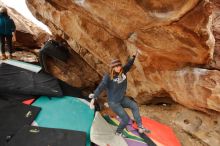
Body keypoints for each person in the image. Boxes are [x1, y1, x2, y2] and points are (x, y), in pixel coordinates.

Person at [89, 50, 150, 136]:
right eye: (116, 66)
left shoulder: (123, 71)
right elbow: (101, 87)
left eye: (119, 65)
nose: (118, 68)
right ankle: (118, 132)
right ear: (112, 67)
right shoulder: (108, 77)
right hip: (113, 103)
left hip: (121, 98)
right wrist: (94, 98)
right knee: (126, 119)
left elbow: (129, 64)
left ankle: (140, 127)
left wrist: (133, 56)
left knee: (134, 106)